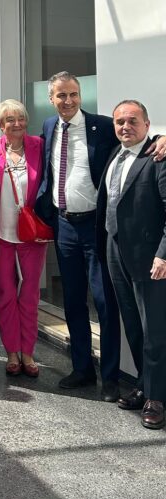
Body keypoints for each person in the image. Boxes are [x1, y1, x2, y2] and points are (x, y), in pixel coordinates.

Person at [35, 71, 124, 401]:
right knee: (72, 300)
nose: (68, 100)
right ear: (52, 99)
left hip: (96, 227)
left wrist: (160, 140)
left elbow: (134, 141)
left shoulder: (102, 125)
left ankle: (111, 377)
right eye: (61, 95)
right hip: (65, 226)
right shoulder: (48, 127)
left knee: (104, 301)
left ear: (80, 95)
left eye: (73, 94)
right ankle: (82, 369)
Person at [96, 100, 166, 429]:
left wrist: (163, 254)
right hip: (114, 251)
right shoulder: (115, 154)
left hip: (148, 258)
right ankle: (143, 383)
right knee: (133, 326)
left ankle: (156, 398)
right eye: (120, 121)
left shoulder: (157, 156)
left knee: (154, 330)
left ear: (148, 124)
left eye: (132, 120)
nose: (125, 126)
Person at [0, 100, 47, 377]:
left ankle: (28, 352)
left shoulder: (39, 147)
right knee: (5, 295)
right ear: (0, 125)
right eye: (10, 120)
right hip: (1, 235)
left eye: (21, 118)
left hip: (31, 235)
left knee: (30, 294)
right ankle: (11, 352)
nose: (17, 124)